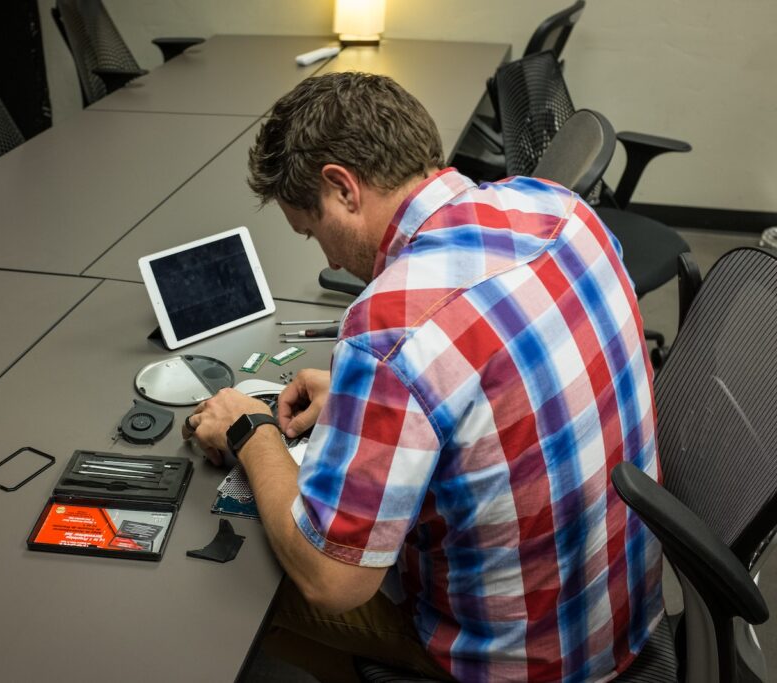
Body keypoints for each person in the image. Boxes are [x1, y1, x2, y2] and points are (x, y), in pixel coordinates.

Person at [182, 72, 663, 682]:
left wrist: (253, 435)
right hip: (624, 609)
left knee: (260, 575)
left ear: (342, 187)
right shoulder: (561, 209)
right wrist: (370, 405)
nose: (328, 259)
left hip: (525, 662)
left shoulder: (388, 328)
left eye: (313, 229)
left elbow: (333, 581)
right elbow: (504, 378)